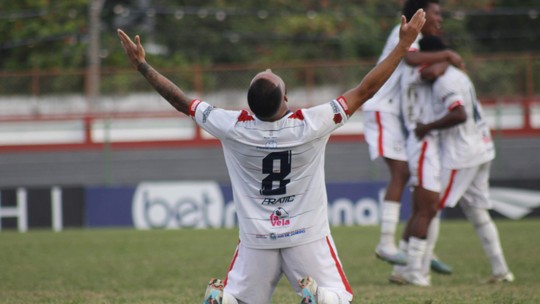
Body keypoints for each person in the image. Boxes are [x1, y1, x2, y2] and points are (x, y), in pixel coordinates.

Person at [118, 9, 426, 304]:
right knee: (339, 298)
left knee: (239, 299)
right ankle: (319, 297)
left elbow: (180, 100)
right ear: (286, 98)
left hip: (257, 239)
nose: (267, 69)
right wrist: (402, 45)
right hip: (307, 235)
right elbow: (366, 89)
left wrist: (142, 66)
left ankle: (223, 299)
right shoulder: (311, 123)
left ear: (250, 106)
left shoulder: (233, 126)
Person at [363, 0, 459, 274]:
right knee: (402, 173)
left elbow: (424, 70)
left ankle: (420, 250)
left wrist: (443, 59)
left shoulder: (424, 42)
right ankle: (385, 244)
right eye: (436, 12)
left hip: (398, 116)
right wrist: (448, 56)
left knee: (418, 181)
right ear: (421, 13)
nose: (440, 17)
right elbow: (411, 58)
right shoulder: (404, 30)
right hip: (381, 106)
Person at [414, 35, 515, 284]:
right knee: (477, 212)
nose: (422, 71)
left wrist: (427, 126)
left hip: (463, 154)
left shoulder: (444, 81)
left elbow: (459, 113)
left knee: (431, 208)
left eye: (424, 65)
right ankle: (501, 270)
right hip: (482, 147)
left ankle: (419, 271)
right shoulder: (458, 75)